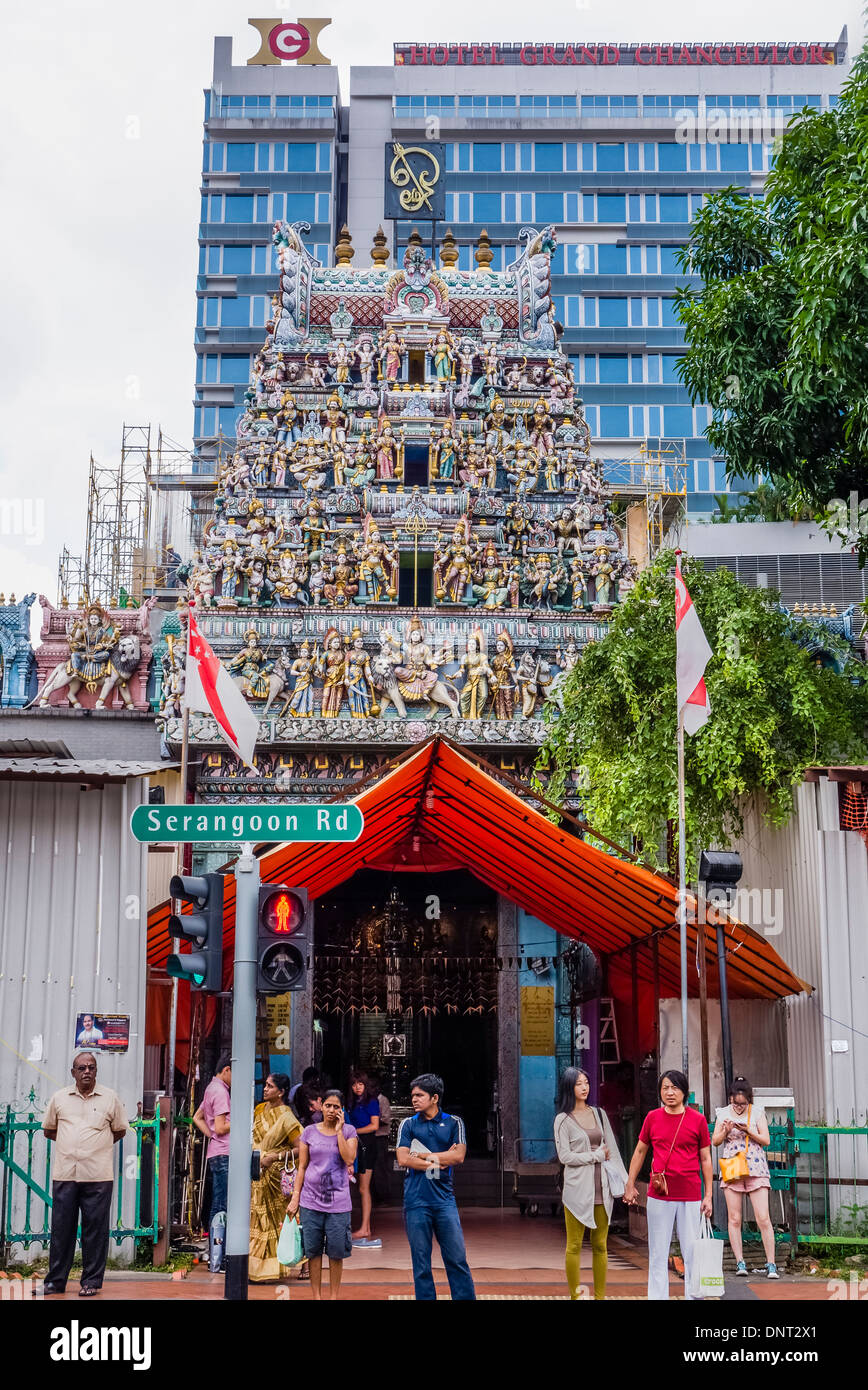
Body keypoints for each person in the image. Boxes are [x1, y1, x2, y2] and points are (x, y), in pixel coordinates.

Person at [41, 1053, 128, 1295]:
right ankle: (55, 1282)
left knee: (95, 1232)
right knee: (61, 1230)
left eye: (91, 1067)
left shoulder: (110, 1098)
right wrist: (73, 1145)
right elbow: (49, 1130)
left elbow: (119, 1131)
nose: (86, 1071)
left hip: (98, 1176)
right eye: (81, 1068)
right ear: (73, 1072)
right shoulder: (60, 1098)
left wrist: (93, 1147)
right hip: (65, 1174)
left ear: (96, 1070)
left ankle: (91, 1282)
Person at [624, 1070, 713, 1300]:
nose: (670, 1092)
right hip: (659, 1193)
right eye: (665, 1088)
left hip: (690, 1193)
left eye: (675, 1088)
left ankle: (694, 1296)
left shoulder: (698, 1119)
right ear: (660, 1092)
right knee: (657, 1253)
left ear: (684, 1091)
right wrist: (630, 1183)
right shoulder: (652, 1118)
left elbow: (705, 1158)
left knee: (691, 1252)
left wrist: (709, 1195)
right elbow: (640, 1151)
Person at [396, 1073, 476, 1302]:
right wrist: (442, 1159)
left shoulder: (454, 1122)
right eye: (412, 1095)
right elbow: (403, 1159)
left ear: (434, 1098)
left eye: (419, 1095)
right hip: (415, 1202)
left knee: (457, 1259)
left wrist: (421, 1155)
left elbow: (459, 1156)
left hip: (444, 1201)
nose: (414, 1100)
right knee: (421, 1263)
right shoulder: (408, 1124)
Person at [553, 1067, 628, 1301]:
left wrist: (627, 1184)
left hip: (602, 1188)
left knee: (601, 1245)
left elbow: (613, 1152)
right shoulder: (562, 1120)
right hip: (577, 1190)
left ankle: (600, 1297)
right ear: (569, 1087)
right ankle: (576, 1297)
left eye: (586, 1082)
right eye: (579, 1084)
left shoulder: (599, 1113)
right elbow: (564, 1157)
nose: (584, 1087)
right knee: (574, 1245)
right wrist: (594, 1156)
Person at [288, 1090, 358, 1301]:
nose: (331, 1110)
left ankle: (333, 1296)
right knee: (314, 1252)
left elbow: (349, 1159)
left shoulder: (349, 1131)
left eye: (336, 1107)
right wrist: (295, 1198)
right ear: (321, 1105)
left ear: (342, 1110)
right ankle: (316, 1296)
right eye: (328, 1105)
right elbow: (302, 1167)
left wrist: (338, 1131)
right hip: (310, 1201)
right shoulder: (309, 1132)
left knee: (336, 1253)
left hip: (338, 1203)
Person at [712, 1076, 779, 1279]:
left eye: (743, 1103)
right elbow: (715, 1141)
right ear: (730, 1098)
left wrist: (748, 1131)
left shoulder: (757, 1112)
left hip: (756, 1167)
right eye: (735, 1102)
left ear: (749, 1099)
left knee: (763, 1218)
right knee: (734, 1219)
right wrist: (726, 1130)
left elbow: (766, 1140)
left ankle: (771, 1263)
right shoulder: (723, 1113)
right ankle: (740, 1262)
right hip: (733, 1169)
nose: (739, 1107)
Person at [249, 1073, 303, 1282]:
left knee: (280, 1221)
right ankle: (259, 1269)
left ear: (281, 1092)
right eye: (266, 1085)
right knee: (258, 1221)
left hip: (275, 1175)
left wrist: (274, 1157)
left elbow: (300, 1148)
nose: (265, 1089)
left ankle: (297, 1261)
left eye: (270, 1087)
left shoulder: (287, 1117)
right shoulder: (259, 1110)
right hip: (256, 1173)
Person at [193, 1055, 232, 1237]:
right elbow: (221, 1127)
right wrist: (241, 1119)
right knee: (222, 1203)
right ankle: (218, 1252)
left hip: (217, 1151)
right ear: (226, 1070)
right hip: (224, 1153)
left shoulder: (211, 1088)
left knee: (219, 1202)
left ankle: (215, 1252)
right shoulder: (221, 1092)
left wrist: (212, 1136)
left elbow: (197, 1117)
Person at [347, 1070, 382, 1248]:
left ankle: (364, 1228)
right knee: (361, 1188)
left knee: (363, 1188)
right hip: (357, 1144)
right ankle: (365, 1228)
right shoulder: (352, 1103)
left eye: (360, 1084)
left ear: (365, 1084)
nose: (357, 1087)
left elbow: (374, 1126)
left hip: (367, 1145)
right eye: (354, 1084)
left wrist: (353, 1131)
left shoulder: (371, 1101)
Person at [370, 1073, 393, 1204]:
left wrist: (371, 1121)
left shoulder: (382, 1100)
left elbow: (385, 1119)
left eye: (372, 1087)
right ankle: (375, 1196)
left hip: (380, 1137)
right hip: (371, 1137)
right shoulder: (369, 1101)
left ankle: (385, 1196)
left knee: (381, 1168)